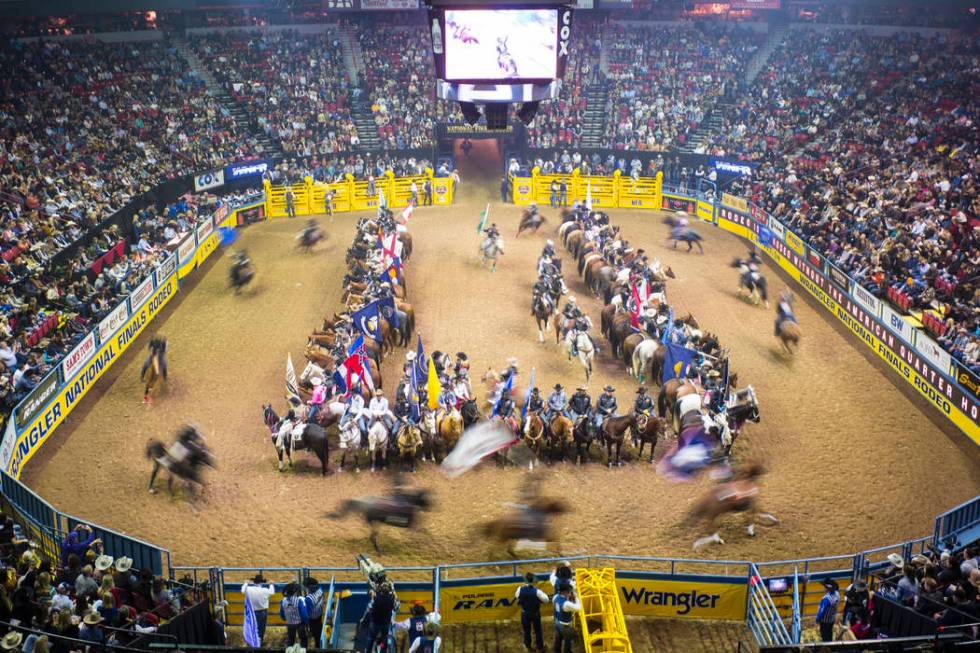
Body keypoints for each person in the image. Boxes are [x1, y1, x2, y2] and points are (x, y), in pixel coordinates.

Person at [516, 572, 548, 652]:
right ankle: (540, 647)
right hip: (535, 613)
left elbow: (517, 596)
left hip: (525, 613)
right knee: (538, 630)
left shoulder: (520, 589)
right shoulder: (537, 591)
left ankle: (527, 646)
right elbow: (546, 600)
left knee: (526, 630)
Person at [242, 574, 275, 645]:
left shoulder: (249, 590)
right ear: (261, 583)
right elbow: (272, 592)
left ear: (254, 582)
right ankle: (260, 641)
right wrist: (271, 584)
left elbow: (243, 590)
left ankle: (252, 643)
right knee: (261, 628)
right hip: (262, 612)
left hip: (252, 612)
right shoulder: (265, 590)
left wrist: (245, 583)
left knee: (253, 628)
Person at [552, 581, 581, 653]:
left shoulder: (555, 597)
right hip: (565, 626)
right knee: (567, 642)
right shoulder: (566, 604)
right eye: (568, 591)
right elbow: (579, 608)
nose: (569, 592)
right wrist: (576, 597)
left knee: (558, 638)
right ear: (565, 591)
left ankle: (557, 651)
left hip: (557, 622)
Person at [280, 582, 309, 648]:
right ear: (294, 592)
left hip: (289, 623)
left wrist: (286, 619)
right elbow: (304, 614)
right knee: (303, 639)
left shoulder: (283, 601)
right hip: (300, 624)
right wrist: (306, 623)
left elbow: (282, 613)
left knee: (290, 639)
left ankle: (289, 650)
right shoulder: (299, 601)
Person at [304, 577, 324, 642]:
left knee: (315, 633)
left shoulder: (308, 598)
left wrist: (306, 622)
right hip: (320, 613)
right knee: (319, 626)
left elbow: (308, 612)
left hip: (312, 618)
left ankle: (317, 643)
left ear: (309, 588)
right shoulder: (320, 590)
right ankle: (319, 637)